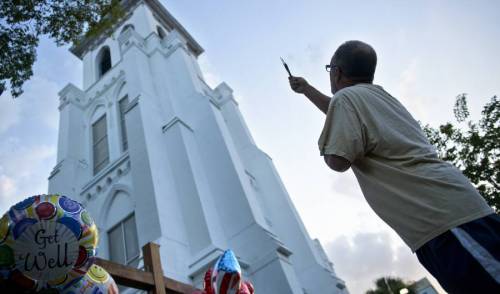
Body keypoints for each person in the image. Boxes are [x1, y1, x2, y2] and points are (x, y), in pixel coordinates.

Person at [288, 40, 499, 293]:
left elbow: (338, 160)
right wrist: (308, 90)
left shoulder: (346, 100)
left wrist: (327, 141)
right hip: (446, 219)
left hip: (446, 221)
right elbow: (345, 114)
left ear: (337, 72)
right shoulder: (378, 96)